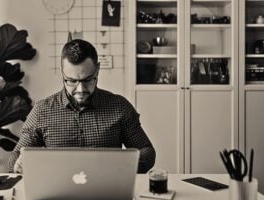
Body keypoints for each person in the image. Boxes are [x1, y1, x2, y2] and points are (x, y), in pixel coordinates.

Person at [8, 39, 155, 173]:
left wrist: (125, 167)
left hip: (107, 191)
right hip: (57, 194)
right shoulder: (42, 110)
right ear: (62, 72)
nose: (80, 89)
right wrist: (18, 164)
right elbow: (16, 155)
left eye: (88, 80)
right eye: (71, 81)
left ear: (97, 70)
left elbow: (147, 150)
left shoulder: (120, 107)